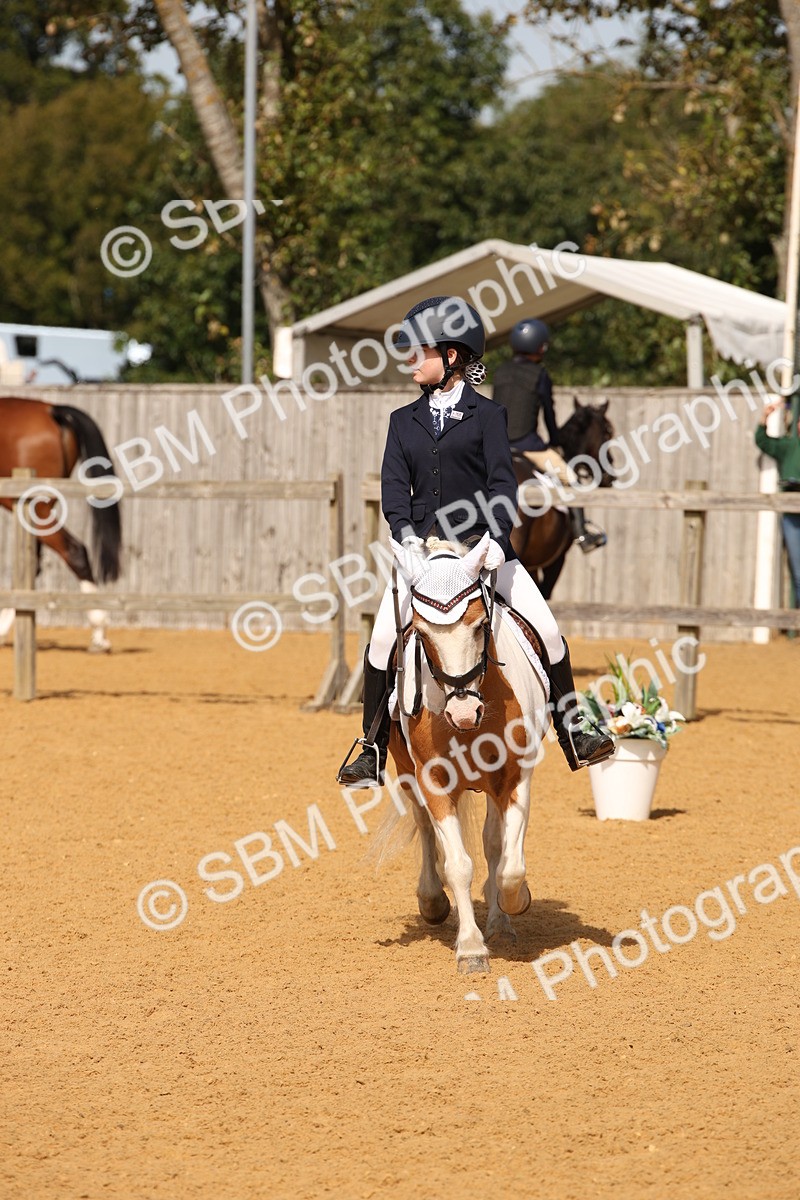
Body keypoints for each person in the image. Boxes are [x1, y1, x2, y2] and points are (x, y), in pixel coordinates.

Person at [336, 295, 614, 789]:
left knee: (548, 630)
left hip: (478, 551)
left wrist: (496, 542)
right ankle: (373, 747)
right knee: (381, 643)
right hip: (421, 555)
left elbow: (503, 486)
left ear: (451, 356)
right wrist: (405, 544)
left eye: (417, 351)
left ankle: (573, 728)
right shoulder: (402, 421)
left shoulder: (489, 417)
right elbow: (394, 491)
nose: (408, 360)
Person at [491, 317, 606, 552]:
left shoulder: (500, 372)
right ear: (540, 347)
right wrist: (555, 442)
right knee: (571, 479)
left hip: (496, 447)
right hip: (529, 447)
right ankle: (582, 534)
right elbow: (549, 415)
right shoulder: (539, 375)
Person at [756, 397, 800, 606]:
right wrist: (765, 416)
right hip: (792, 516)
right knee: (798, 570)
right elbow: (762, 441)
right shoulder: (789, 446)